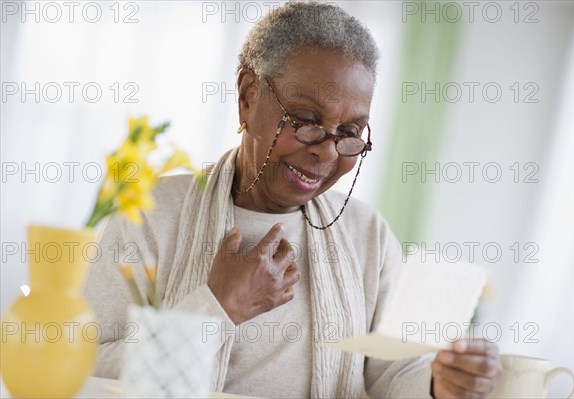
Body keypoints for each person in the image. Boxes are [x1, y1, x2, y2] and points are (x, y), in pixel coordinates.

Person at [84, 2, 501, 398]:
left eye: (352, 132)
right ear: (248, 95)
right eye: (305, 121)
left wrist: (440, 384)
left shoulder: (367, 233)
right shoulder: (154, 213)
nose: (327, 152)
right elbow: (89, 366)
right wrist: (218, 306)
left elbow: (394, 370)